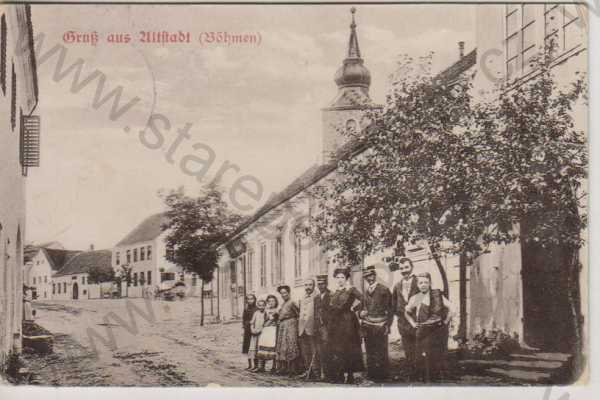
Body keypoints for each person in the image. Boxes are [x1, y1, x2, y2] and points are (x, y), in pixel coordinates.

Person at [404, 272, 455, 382]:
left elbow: (452, 309)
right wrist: (413, 323)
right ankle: (422, 380)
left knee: (434, 356)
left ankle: (434, 379)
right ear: (417, 284)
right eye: (421, 282)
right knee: (421, 356)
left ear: (430, 283)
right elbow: (406, 312)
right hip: (422, 331)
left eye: (426, 282)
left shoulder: (436, 295)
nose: (423, 285)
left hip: (435, 332)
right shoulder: (417, 298)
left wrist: (446, 321)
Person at [328, 267, 364, 384]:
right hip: (336, 322)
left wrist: (354, 308)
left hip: (348, 321)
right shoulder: (335, 291)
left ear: (346, 278)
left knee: (349, 347)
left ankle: (350, 375)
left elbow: (364, 299)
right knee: (338, 348)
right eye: (337, 277)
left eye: (342, 277)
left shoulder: (351, 289)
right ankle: (339, 375)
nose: (340, 280)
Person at [359, 265, 393, 382]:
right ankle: (372, 375)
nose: (370, 278)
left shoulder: (384, 290)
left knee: (381, 351)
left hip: (381, 325)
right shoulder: (365, 292)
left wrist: (388, 325)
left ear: (375, 276)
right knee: (370, 351)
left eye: (371, 275)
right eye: (367, 277)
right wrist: (360, 313)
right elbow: (361, 309)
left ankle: (383, 376)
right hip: (368, 325)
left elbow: (391, 309)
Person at [391, 257, 420, 375]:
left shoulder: (420, 281)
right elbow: (393, 304)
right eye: (401, 268)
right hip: (403, 322)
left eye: (406, 267)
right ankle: (411, 372)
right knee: (408, 348)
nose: (404, 270)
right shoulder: (397, 285)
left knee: (419, 347)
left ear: (412, 267)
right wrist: (398, 315)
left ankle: (421, 373)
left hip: (418, 320)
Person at [275, 285, 300, 376]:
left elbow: (298, 313)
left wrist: (294, 324)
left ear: (289, 293)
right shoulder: (283, 304)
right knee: (283, 346)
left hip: (291, 325)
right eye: (281, 293)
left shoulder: (292, 302)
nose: (283, 295)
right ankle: (283, 368)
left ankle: (293, 369)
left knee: (291, 345)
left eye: (285, 293)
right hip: (283, 326)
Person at [298, 278, 319, 380]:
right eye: (306, 285)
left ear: (314, 286)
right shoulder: (302, 298)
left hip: (312, 329)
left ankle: (316, 372)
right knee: (305, 352)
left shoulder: (317, 297)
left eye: (310, 285)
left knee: (314, 351)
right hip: (302, 329)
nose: (308, 287)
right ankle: (308, 371)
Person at [315, 274, 332, 381]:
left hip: (328, 327)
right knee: (320, 351)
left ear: (326, 284)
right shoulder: (316, 297)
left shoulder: (331, 295)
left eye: (322, 284)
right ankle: (323, 373)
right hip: (319, 328)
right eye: (319, 284)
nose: (320, 286)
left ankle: (330, 374)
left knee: (328, 350)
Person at [256, 294, 279, 372]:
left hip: (273, 330)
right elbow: (264, 320)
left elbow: (278, 321)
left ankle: (274, 366)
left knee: (273, 347)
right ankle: (261, 366)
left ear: (276, 302)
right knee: (263, 346)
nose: (271, 302)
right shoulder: (266, 310)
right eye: (269, 301)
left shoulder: (278, 310)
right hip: (266, 330)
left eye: (273, 301)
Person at [249, 299, 267, 372]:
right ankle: (255, 366)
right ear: (257, 306)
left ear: (265, 306)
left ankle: (262, 367)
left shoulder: (266, 313)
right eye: (259, 305)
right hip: (255, 334)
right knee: (254, 350)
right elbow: (252, 322)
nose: (261, 307)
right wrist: (252, 329)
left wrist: (261, 330)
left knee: (262, 350)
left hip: (262, 334)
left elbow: (267, 323)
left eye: (263, 305)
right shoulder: (256, 313)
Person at [242, 294, 257, 370]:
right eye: (248, 299)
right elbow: (244, 318)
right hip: (247, 329)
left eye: (252, 299)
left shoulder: (257, 309)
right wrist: (245, 325)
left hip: (254, 329)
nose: (250, 300)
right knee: (248, 346)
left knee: (254, 346)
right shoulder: (246, 309)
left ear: (254, 300)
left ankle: (256, 365)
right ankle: (250, 365)